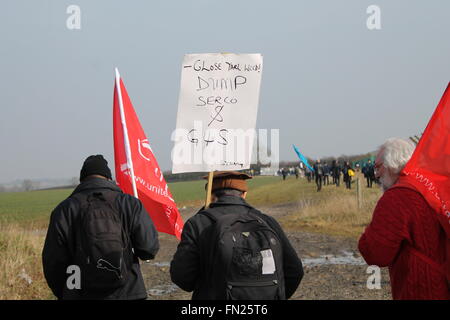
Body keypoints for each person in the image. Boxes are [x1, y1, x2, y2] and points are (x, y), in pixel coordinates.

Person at [170, 171, 304, 300]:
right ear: (244, 194)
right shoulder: (267, 221)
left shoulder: (197, 223)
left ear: (211, 195)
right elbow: (295, 270)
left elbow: (182, 277)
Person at [42, 155, 159, 300]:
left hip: (81, 293)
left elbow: (53, 262)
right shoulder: (130, 203)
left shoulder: (64, 210)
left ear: (82, 180)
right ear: (108, 178)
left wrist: (67, 293)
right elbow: (148, 249)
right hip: (129, 292)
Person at [358, 138, 449, 299]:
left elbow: (375, 253)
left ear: (392, 165)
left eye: (378, 167)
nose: (376, 174)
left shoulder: (396, 197)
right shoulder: (431, 186)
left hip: (419, 287)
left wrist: (366, 235)